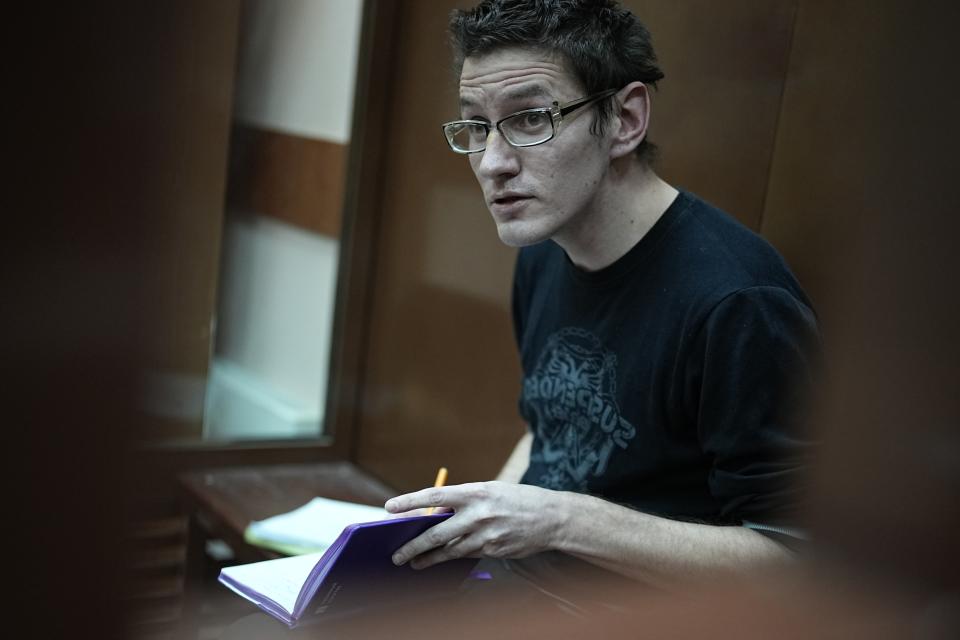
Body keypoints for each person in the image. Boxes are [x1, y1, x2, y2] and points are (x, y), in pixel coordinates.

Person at [384, 0, 820, 592]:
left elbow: (796, 563)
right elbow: (550, 431)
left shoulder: (740, 299)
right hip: (517, 593)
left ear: (624, 119)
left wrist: (561, 519)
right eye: (476, 126)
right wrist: (477, 531)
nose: (492, 162)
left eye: (531, 118)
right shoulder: (544, 246)